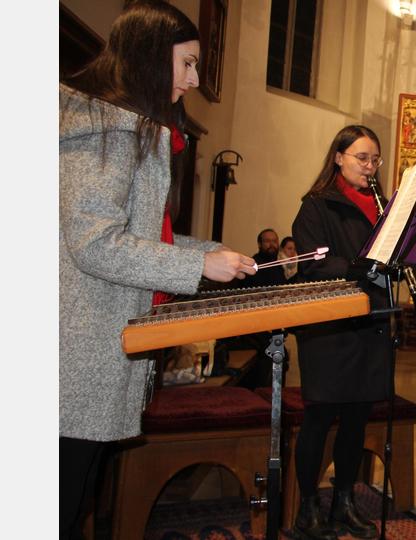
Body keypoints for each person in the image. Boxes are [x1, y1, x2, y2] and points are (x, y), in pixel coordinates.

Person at [59, 2, 256, 538]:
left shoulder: (130, 127)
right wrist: (198, 263)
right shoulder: (108, 131)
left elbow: (144, 236)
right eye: (187, 63)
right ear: (150, 56)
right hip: (76, 349)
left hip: (97, 346)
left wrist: (217, 253)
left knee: (75, 502)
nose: (194, 79)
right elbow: (94, 244)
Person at [289, 125, 392, 540]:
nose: (369, 167)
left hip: (371, 320)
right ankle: (308, 505)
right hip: (329, 327)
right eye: (361, 158)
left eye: (374, 159)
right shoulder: (316, 205)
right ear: (338, 157)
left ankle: (345, 502)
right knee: (319, 417)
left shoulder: (385, 207)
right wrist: (356, 267)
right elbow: (314, 261)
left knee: (356, 419)